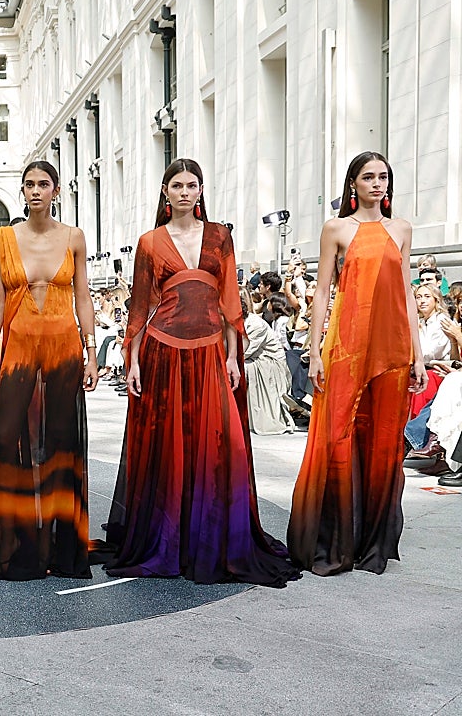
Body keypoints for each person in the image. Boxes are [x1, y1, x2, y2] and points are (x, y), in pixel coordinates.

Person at [105, 158, 299, 588]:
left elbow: (231, 301)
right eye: (177, 185)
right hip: (163, 351)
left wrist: (233, 356)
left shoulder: (220, 237)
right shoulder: (150, 242)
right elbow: (139, 308)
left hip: (213, 351)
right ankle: (170, 540)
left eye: (192, 185)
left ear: (201, 190)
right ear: (165, 192)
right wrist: (132, 359)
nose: (185, 192)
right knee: (169, 450)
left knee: (219, 445)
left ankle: (213, 539)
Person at [287, 152, 427, 575]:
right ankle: (335, 539)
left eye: (384, 177)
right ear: (353, 184)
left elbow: (405, 295)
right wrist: (314, 352)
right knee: (339, 436)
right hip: (346, 346)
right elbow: (322, 293)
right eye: (369, 177)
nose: (378, 183)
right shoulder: (336, 229)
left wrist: (419, 357)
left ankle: (373, 542)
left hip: (394, 348)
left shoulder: (400, 228)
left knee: (385, 441)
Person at [0, 161, 101, 580]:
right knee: (12, 438)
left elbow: (83, 296)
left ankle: (61, 547)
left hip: (65, 346)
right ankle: (19, 544)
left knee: (60, 442)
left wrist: (91, 350)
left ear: (55, 190)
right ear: (22, 191)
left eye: (43, 184)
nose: (35, 191)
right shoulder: (5, 237)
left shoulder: (74, 237)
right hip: (19, 344)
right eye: (29, 184)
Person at [240, 288, 296, 436]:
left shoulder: (255, 324)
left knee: (242, 368)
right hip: (254, 357)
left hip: (270, 363)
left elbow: (244, 353)